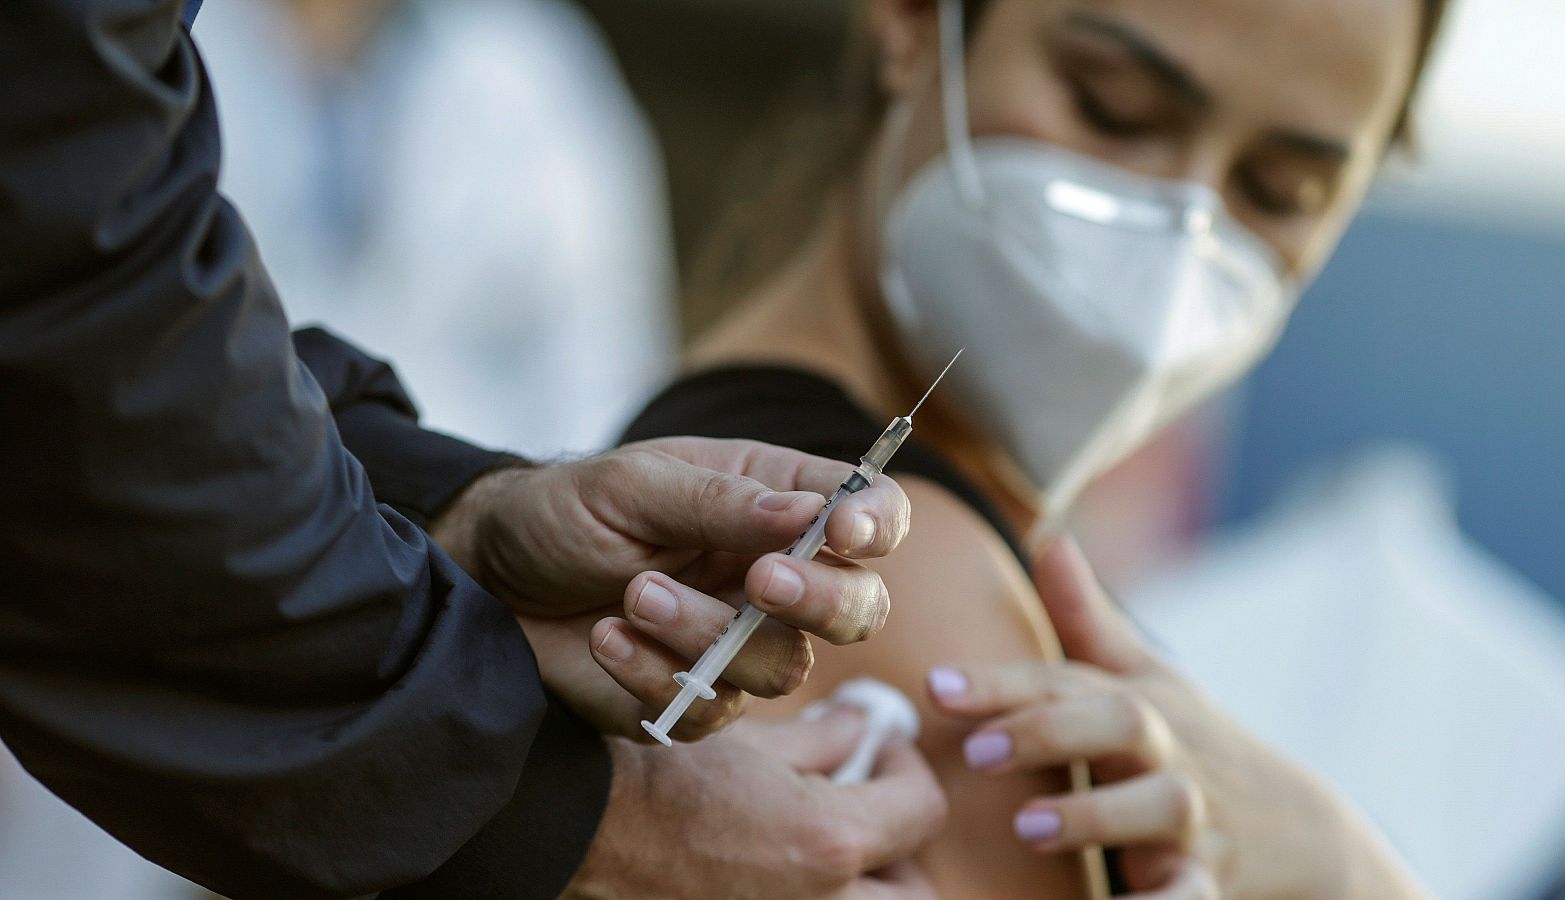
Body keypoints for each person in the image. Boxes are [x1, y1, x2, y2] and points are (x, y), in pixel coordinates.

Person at [0, 1, 944, 897]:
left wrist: (463, 516)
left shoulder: (527, 78)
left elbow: (178, 380)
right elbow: (82, 357)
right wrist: (571, 810)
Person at [619, 0, 1450, 894]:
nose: (1180, 240)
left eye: (1282, 189)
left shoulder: (716, 443)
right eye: (1111, 105)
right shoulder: (906, 575)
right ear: (911, 20)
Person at [194, 0, 675, 458]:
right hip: (221, 500)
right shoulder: (160, 51)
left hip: (474, 519)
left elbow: (602, 355)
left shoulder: (526, 64)